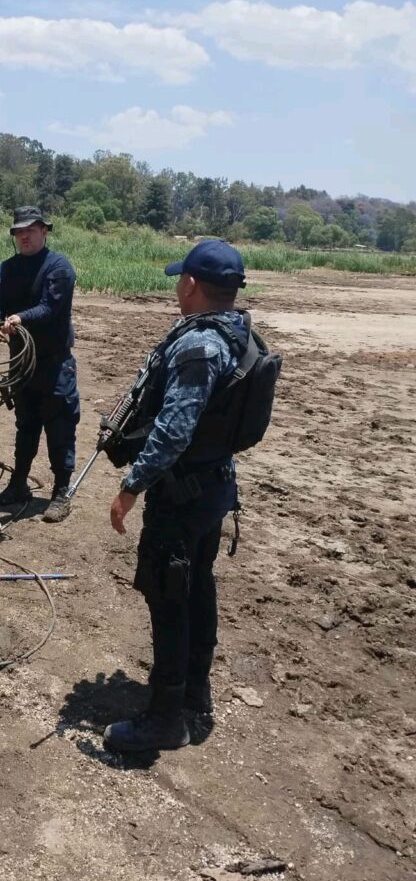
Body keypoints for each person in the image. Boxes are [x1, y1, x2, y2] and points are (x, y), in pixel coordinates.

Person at [104, 240, 254, 753]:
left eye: (178, 279)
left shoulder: (198, 347)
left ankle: (166, 718)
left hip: (184, 496)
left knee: (170, 596)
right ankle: (196, 694)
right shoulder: (236, 334)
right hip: (214, 489)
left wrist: (130, 488)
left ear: (190, 284)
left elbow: (173, 430)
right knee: (196, 588)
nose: (175, 286)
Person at [0, 206, 79, 523]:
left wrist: (19, 318)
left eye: (31, 230)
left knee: (60, 428)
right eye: (19, 232)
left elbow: (50, 308)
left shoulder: (59, 268)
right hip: (22, 365)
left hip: (54, 365)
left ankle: (61, 493)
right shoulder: (7, 268)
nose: (24, 236)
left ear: (44, 231)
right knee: (26, 427)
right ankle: (18, 484)